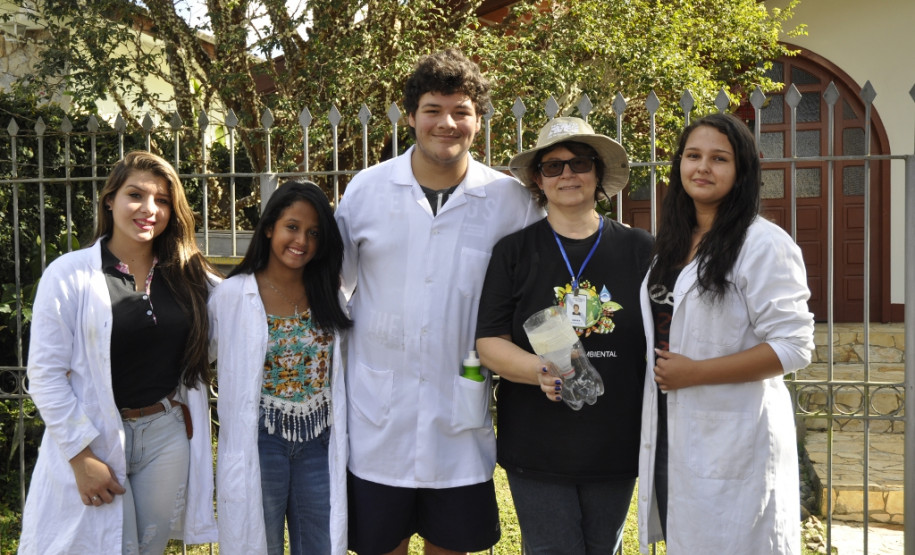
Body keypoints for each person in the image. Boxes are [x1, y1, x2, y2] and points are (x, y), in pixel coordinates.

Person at [335, 48, 542, 555]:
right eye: (433, 109)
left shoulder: (510, 202)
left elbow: (539, 291)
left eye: (461, 111)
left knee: (452, 543)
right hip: (377, 415)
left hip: (460, 414)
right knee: (381, 543)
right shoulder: (366, 191)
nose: (446, 123)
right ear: (410, 116)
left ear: (478, 119)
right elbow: (332, 290)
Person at [19, 151, 219, 554]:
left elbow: (245, 311)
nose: (149, 209)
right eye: (136, 195)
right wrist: (80, 456)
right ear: (109, 199)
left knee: (148, 547)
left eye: (162, 200)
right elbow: (44, 374)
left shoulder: (188, 275)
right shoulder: (70, 274)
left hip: (166, 435)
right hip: (97, 436)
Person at [636, 113, 815, 554]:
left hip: (734, 435)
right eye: (693, 156)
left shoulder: (764, 244)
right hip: (669, 428)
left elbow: (794, 346)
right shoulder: (674, 243)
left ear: (741, 171)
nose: (702, 168)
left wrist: (697, 373)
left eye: (719, 158)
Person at [476, 116, 653, 554]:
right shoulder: (514, 251)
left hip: (617, 439)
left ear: (598, 175)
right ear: (538, 179)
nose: (567, 174)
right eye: (553, 167)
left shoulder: (642, 251)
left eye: (579, 163)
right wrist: (539, 370)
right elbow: (489, 341)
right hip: (538, 444)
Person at [208, 180, 353, 555]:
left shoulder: (331, 294)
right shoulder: (232, 295)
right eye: (292, 226)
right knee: (260, 545)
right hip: (261, 440)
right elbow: (199, 359)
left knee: (319, 546)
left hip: (320, 441)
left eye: (313, 232)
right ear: (270, 226)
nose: (301, 240)